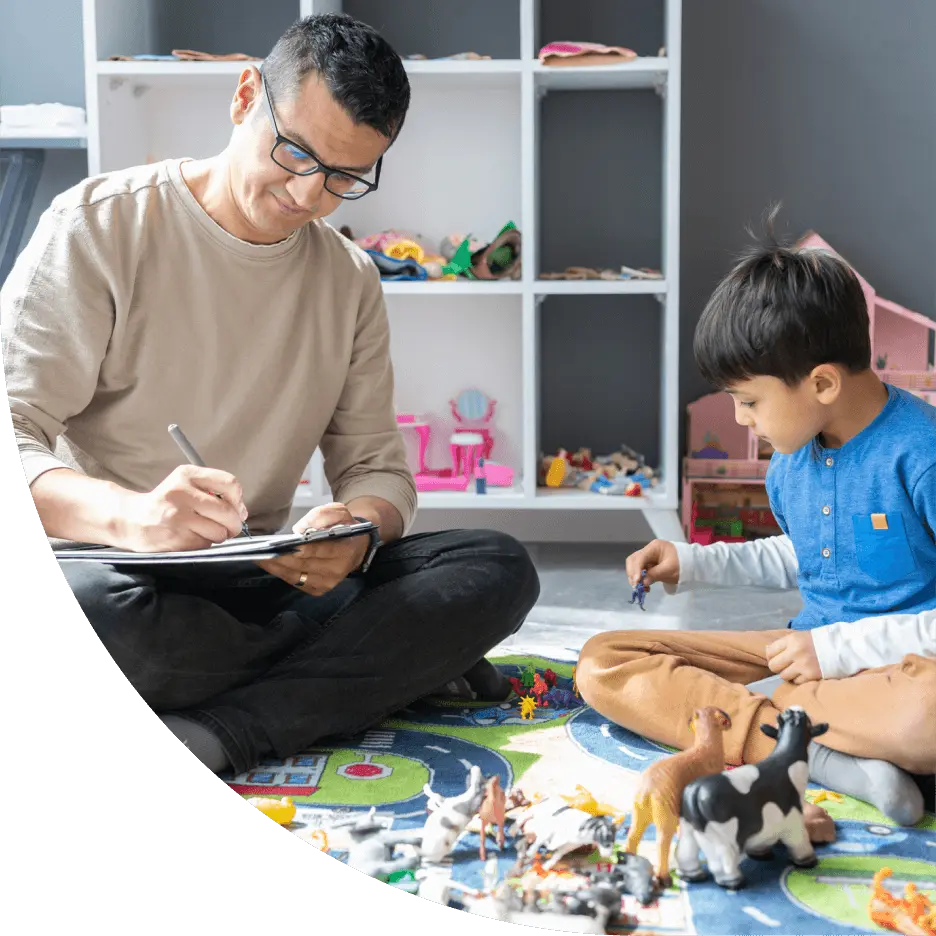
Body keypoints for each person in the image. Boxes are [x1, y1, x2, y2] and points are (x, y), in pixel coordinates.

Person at [1, 13, 539, 775]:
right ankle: (373, 671)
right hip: (121, 572)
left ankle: (229, 725)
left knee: (495, 566)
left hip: (265, 577)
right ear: (245, 95)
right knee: (102, 618)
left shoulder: (349, 281)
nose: (308, 193)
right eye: (296, 153)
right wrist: (136, 516)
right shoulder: (98, 226)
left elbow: (378, 467)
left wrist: (355, 530)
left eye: (345, 177)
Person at [576, 222, 936, 825]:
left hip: (900, 674)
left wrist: (837, 650)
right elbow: (810, 553)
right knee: (606, 660)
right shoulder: (793, 458)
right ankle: (830, 758)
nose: (742, 420)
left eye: (749, 400)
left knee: (925, 715)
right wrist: (692, 561)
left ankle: (786, 729)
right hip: (803, 664)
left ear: (821, 382)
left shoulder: (921, 455)